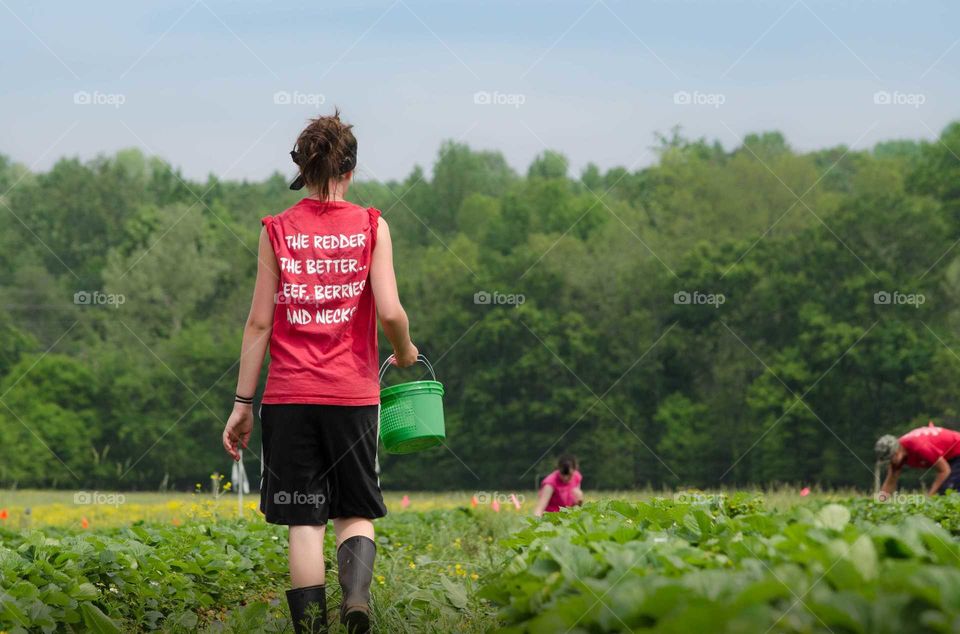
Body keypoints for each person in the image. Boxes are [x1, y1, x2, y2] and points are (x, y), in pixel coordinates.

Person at [221, 110, 418, 634]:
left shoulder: (276, 230)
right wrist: (404, 351)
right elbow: (391, 311)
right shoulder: (373, 226)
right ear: (349, 170)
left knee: (304, 521)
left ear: (303, 172)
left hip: (288, 398)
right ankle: (356, 600)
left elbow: (259, 322)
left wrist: (242, 404)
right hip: (352, 396)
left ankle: (312, 630)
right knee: (355, 512)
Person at [876, 421, 960, 499]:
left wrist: (930, 496)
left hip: (957, 450)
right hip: (949, 456)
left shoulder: (920, 447)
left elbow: (944, 471)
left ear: (896, 451)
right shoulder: (898, 455)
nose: (892, 462)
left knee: (948, 490)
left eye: (891, 458)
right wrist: (880, 502)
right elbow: (890, 481)